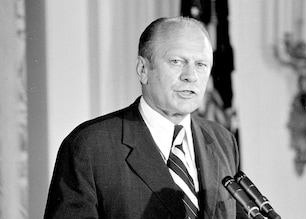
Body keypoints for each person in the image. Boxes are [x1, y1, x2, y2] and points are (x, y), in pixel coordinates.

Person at [44, 16, 243, 219]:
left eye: (201, 64)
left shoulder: (222, 141)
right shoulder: (89, 146)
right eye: (176, 61)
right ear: (143, 70)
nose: (191, 75)